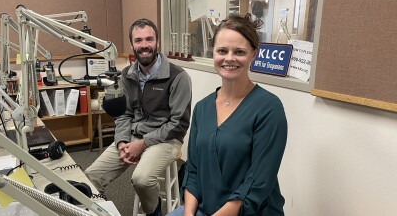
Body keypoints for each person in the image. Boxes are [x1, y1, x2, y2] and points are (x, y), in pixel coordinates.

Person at [168, 13, 287, 216]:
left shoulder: (269, 109)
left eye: (239, 51)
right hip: (205, 208)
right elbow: (193, 171)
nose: (229, 58)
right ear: (213, 52)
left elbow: (257, 182)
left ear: (253, 54)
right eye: (222, 50)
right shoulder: (202, 108)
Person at [85, 18, 192, 216]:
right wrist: (121, 142)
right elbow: (124, 114)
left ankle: (154, 210)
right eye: (139, 40)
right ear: (132, 44)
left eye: (149, 39)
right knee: (90, 177)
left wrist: (142, 144)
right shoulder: (127, 74)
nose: (144, 45)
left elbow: (179, 124)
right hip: (133, 136)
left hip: (167, 139)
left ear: (157, 43)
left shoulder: (178, 77)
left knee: (141, 179)